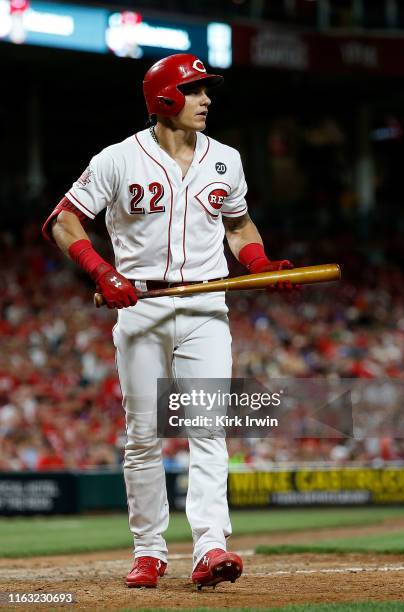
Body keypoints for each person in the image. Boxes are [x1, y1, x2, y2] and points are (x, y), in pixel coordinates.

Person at [42, 53, 294, 590]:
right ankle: (149, 551)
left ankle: (211, 547)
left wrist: (260, 264)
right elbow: (63, 220)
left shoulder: (226, 158)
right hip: (140, 306)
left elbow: (239, 223)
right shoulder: (117, 158)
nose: (207, 100)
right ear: (165, 98)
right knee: (143, 434)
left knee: (209, 429)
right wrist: (101, 270)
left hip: (206, 308)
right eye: (197, 90)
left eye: (207, 90)